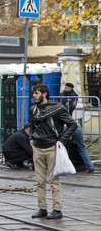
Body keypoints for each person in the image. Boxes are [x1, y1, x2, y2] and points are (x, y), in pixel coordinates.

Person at [29, 83, 77, 220]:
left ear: (44, 94)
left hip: (52, 147)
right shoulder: (34, 109)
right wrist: (31, 137)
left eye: (36, 93)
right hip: (38, 147)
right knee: (40, 181)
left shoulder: (57, 108)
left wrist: (61, 140)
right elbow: (32, 125)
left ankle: (57, 209)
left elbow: (72, 124)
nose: (33, 95)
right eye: (34, 93)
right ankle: (42, 208)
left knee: (53, 180)